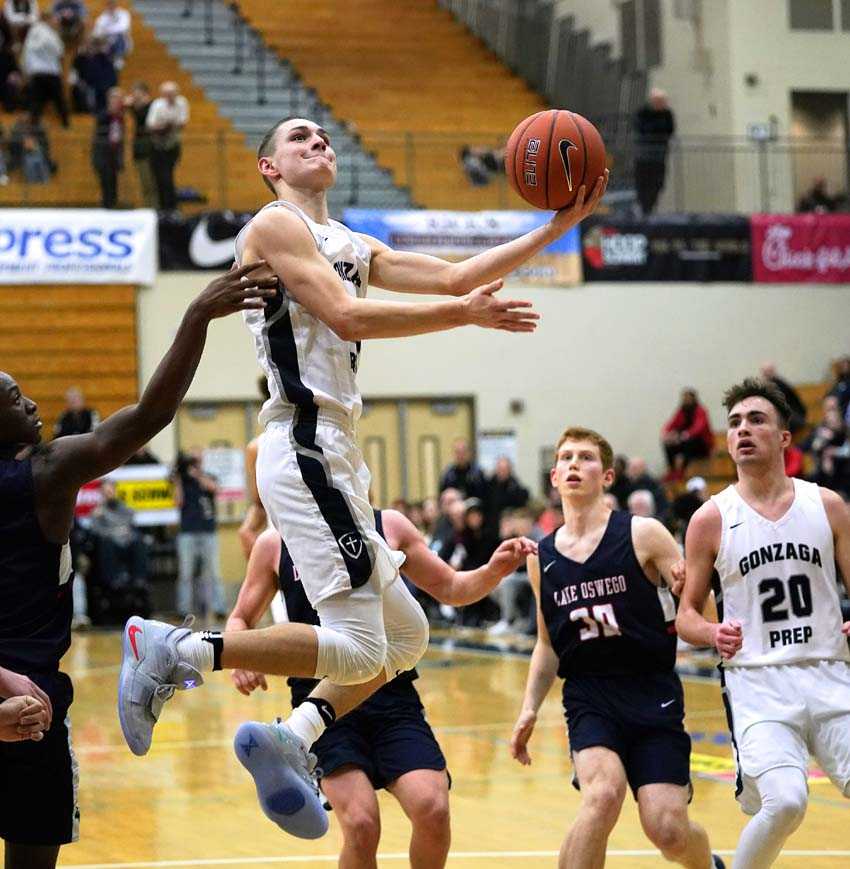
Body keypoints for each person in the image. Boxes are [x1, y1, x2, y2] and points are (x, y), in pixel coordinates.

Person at [116, 114, 607, 839]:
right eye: (299, 138)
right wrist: (463, 315)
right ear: (269, 167)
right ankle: (175, 648)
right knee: (357, 645)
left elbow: (455, 275)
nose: (318, 142)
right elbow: (347, 317)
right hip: (303, 439)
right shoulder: (275, 226)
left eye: (323, 136)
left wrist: (557, 227)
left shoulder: (348, 241)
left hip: (340, 450)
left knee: (406, 638)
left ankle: (296, 732)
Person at [0, 263, 276, 869]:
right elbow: (151, 414)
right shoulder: (45, 472)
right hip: (33, 702)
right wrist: (198, 315)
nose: (34, 402)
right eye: (16, 399)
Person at [228, 510, 534, 867]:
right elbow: (240, 618)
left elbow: (451, 586)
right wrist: (241, 656)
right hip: (323, 703)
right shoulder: (275, 543)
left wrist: (492, 571)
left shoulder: (388, 525)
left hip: (391, 695)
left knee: (433, 808)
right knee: (361, 824)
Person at [510, 426, 724, 869]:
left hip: (652, 691)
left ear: (607, 476)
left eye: (586, 457)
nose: (574, 464)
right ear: (554, 477)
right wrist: (529, 707)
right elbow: (548, 644)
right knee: (603, 795)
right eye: (566, 458)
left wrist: (689, 593)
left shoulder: (644, 533)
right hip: (590, 695)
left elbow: (702, 613)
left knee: (668, 830)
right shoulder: (540, 557)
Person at [677, 378, 850, 869]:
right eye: (734, 423)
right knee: (787, 801)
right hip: (758, 682)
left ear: (784, 437)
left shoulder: (827, 505)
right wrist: (712, 633)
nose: (743, 430)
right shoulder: (711, 518)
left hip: (830, 672)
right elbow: (686, 615)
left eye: (756, 420)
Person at [172, 447, 227, 621]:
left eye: (197, 459)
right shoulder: (182, 479)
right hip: (187, 531)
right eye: (192, 459)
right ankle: (184, 610)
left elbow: (214, 489)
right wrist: (178, 480)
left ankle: (219, 608)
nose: (194, 462)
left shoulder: (208, 476)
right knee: (185, 573)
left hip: (208, 530)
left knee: (214, 573)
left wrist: (198, 475)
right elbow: (178, 502)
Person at [146, 80, 188, 211]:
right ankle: (162, 206)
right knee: (159, 177)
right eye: (167, 94)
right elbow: (151, 125)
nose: (170, 97)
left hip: (172, 145)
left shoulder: (182, 102)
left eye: (172, 94)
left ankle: (171, 206)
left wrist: (165, 125)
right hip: (157, 145)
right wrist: (167, 125)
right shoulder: (157, 104)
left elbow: (182, 122)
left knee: (168, 176)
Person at [22, 11, 68, 128]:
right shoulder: (50, 33)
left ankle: (34, 125)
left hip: (37, 71)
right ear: (48, 19)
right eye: (54, 20)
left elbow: (27, 52)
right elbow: (60, 52)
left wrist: (27, 70)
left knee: (36, 100)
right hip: (50, 71)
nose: (56, 22)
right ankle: (65, 123)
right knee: (58, 99)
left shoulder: (33, 32)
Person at [633, 87, 675, 216]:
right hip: (644, 157)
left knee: (657, 185)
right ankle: (643, 210)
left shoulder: (667, 114)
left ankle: (650, 210)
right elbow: (642, 129)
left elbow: (669, 130)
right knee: (643, 185)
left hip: (659, 157)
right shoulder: (643, 112)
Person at [661, 388, 714, 481]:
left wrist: (684, 435)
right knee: (668, 445)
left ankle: (682, 472)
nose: (686, 401)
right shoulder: (681, 411)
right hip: (685, 441)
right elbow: (672, 423)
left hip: (701, 444)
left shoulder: (701, 411)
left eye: (688, 399)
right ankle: (672, 470)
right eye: (684, 399)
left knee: (688, 443)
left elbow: (698, 428)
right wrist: (667, 434)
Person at [91, 85, 125, 209]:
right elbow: (103, 120)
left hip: (115, 151)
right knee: (105, 179)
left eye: (119, 98)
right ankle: (106, 203)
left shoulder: (121, 115)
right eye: (115, 98)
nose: (117, 101)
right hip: (103, 151)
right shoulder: (103, 113)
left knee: (114, 179)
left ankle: (113, 203)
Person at [125, 80, 154, 206]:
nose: (134, 97)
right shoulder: (135, 108)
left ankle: (153, 207)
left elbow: (144, 119)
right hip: (139, 148)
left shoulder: (152, 107)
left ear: (145, 93)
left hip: (150, 148)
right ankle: (148, 206)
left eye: (137, 94)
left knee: (151, 182)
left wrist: (133, 106)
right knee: (144, 181)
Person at [759, 362, 806, 434]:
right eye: (764, 372)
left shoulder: (777, 385)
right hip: (793, 414)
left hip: (795, 416)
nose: (765, 374)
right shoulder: (775, 383)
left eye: (767, 372)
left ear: (773, 371)